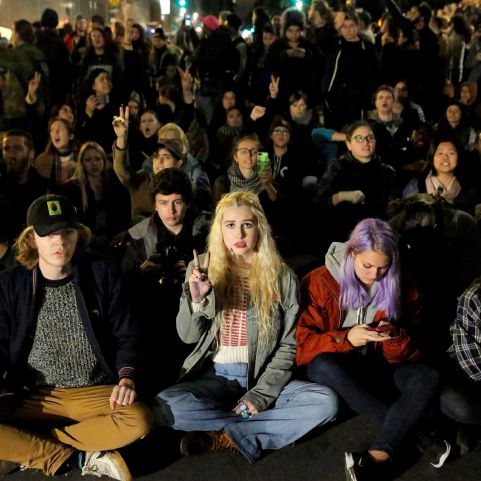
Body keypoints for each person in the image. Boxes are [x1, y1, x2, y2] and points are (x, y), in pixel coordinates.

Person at [152, 191, 338, 462]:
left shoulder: (281, 275)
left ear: (258, 228)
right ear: (220, 230)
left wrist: (260, 395)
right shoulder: (201, 267)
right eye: (230, 225)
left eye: (247, 225)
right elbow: (188, 336)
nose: (239, 234)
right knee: (164, 407)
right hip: (215, 378)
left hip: (263, 376)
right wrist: (197, 299)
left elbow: (290, 344)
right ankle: (257, 427)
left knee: (326, 402)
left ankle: (224, 435)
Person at [0, 194, 152, 481]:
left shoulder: (101, 271)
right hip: (35, 395)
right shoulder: (11, 282)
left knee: (140, 419)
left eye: (67, 232)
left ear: (78, 234)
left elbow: (126, 332)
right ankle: (74, 455)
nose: (60, 242)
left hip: (93, 391)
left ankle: (31, 448)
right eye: (49, 235)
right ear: (32, 238)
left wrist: (127, 377)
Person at [296, 218, 441, 480]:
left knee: (429, 376)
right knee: (322, 365)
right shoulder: (318, 281)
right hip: (338, 368)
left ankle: (377, 457)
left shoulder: (402, 285)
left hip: (381, 368)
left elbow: (415, 352)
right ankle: (418, 434)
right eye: (367, 265)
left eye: (383, 268)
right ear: (352, 253)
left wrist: (394, 336)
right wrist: (347, 338)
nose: (374, 275)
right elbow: (302, 347)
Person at [121, 168, 205, 394]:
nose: (171, 210)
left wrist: (190, 269)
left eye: (177, 202)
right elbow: (123, 287)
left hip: (197, 312)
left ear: (186, 202)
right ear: (155, 204)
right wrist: (144, 272)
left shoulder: (206, 231)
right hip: (153, 315)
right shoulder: (139, 236)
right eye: (164, 202)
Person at [311, 120, 395, 249]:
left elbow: (388, 208)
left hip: (375, 236)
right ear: (349, 144)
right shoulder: (337, 167)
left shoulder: (387, 171)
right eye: (359, 138)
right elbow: (318, 201)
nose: (366, 142)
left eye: (370, 138)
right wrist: (341, 196)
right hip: (340, 234)